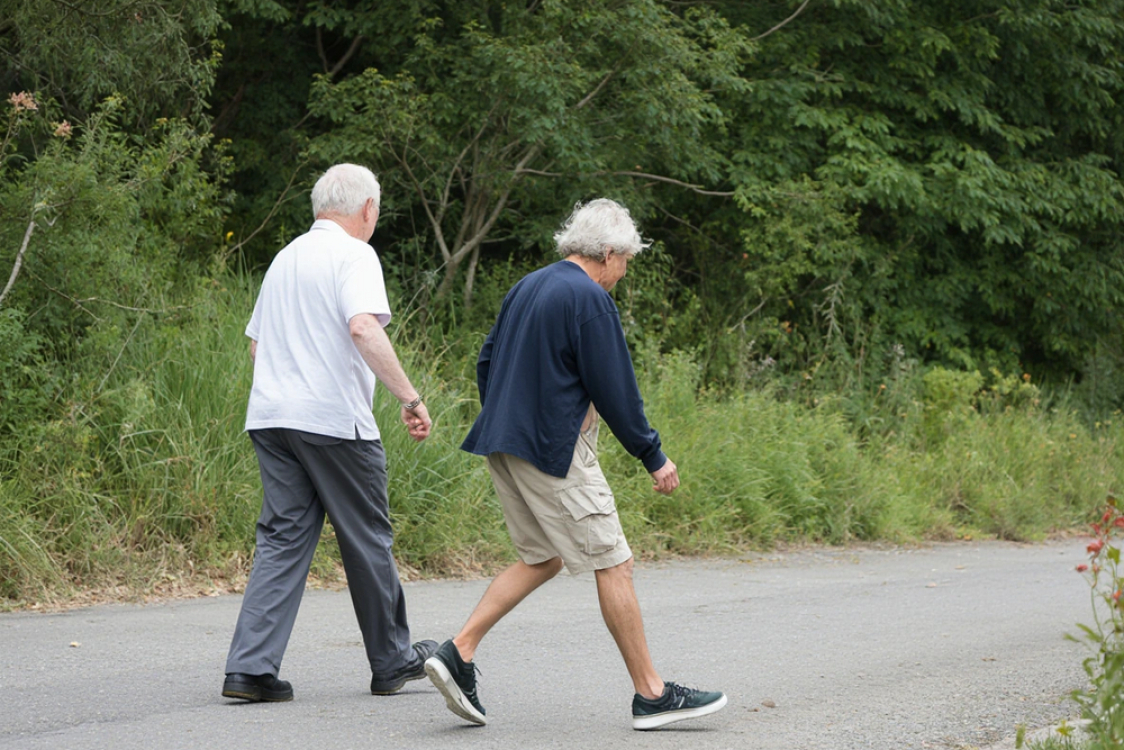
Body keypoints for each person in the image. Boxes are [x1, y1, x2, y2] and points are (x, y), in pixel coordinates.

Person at [423, 198, 727, 730]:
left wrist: (508, 414)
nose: (623, 273)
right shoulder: (588, 298)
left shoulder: (529, 286)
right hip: (551, 450)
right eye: (625, 260)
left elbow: (487, 359)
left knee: (542, 557)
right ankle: (652, 694)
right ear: (607, 253)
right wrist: (652, 454)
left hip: (504, 443)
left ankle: (458, 651)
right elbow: (615, 388)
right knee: (614, 562)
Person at [222, 163, 437, 703]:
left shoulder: (285, 258)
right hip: (333, 421)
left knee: (282, 538)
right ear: (367, 209)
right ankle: (392, 660)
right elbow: (363, 326)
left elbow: (257, 346)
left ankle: (250, 670)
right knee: (366, 536)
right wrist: (410, 398)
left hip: (272, 418)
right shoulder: (355, 255)